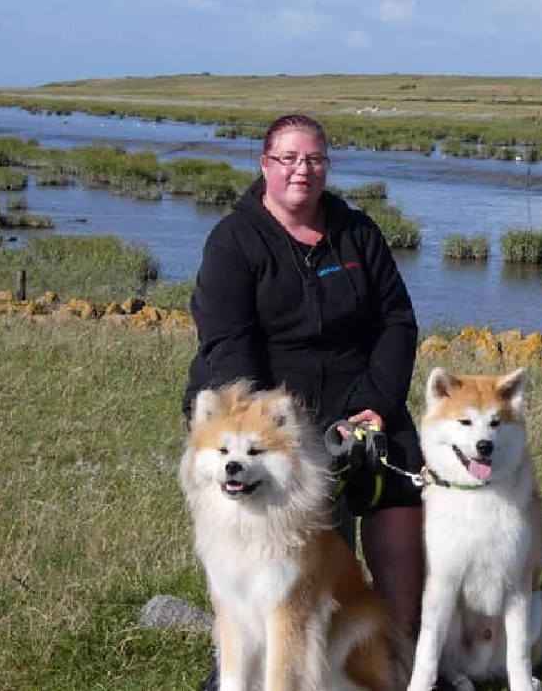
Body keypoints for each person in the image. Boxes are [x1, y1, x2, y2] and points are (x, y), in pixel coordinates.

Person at [183, 113, 425, 690]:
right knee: (281, 542)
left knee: (400, 492)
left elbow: (397, 321)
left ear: (327, 167)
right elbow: (227, 342)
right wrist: (266, 422)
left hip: (357, 394)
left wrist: (376, 402)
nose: (302, 170)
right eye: (288, 159)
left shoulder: (357, 232)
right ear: (264, 165)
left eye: (314, 159)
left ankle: (403, 647)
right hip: (262, 409)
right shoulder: (233, 241)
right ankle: (244, 658)